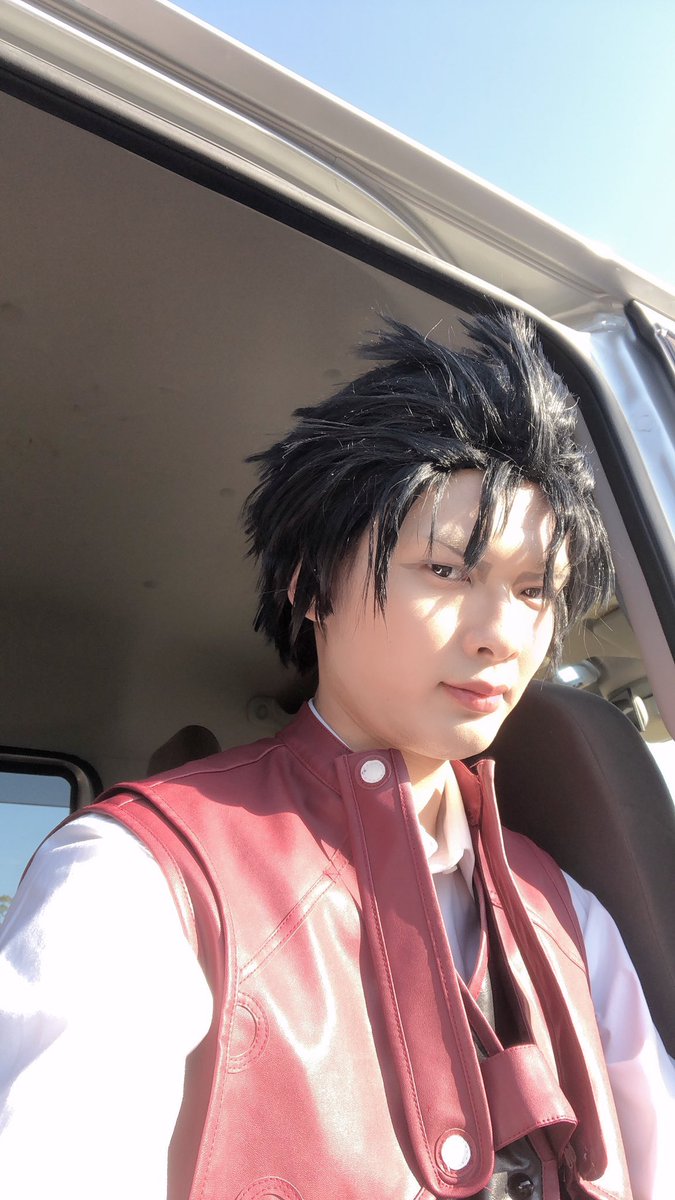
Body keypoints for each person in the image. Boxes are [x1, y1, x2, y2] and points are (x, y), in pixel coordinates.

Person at [0, 310, 673, 1200]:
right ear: (310, 583)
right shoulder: (136, 881)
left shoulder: (566, 914)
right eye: (447, 570)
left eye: (532, 590)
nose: (502, 636)